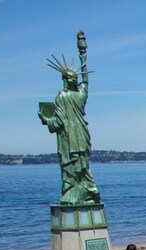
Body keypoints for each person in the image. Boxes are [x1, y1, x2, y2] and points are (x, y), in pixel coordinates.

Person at [38, 31, 100, 205]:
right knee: (83, 164)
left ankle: (76, 192)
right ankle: (88, 189)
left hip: (69, 137)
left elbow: (57, 122)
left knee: (70, 166)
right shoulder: (80, 95)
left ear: (64, 80)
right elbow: (86, 80)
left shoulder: (62, 96)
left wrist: (45, 118)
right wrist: (83, 53)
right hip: (81, 133)